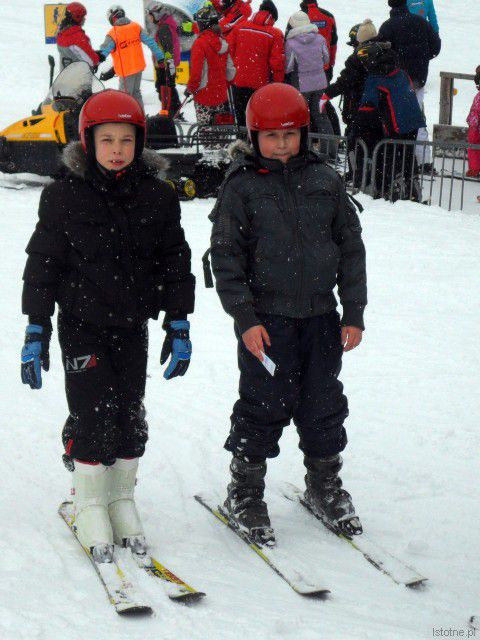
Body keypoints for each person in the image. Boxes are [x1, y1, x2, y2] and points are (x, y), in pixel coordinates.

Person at [20, 89, 195, 563]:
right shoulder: (63, 195)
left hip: (132, 325)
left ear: (140, 142)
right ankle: (90, 503)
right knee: (93, 414)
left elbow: (175, 260)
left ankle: (120, 498)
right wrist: (37, 328)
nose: (117, 149)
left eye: (126, 140)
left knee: (129, 414)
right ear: (88, 141)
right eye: (106, 140)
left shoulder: (157, 196)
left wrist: (178, 322)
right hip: (82, 324)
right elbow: (43, 263)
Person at [209, 83, 367, 546]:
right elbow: (226, 259)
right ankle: (245, 491)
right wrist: (245, 318)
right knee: (263, 404)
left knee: (323, 404)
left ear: (304, 133)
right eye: (272, 136)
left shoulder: (325, 181)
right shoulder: (241, 187)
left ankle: (324, 484)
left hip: (321, 318)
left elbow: (351, 249)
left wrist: (353, 311)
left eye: (290, 134)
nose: (282, 144)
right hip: (267, 323)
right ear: (254, 136)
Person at [356, 41, 426, 200]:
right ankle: (411, 184)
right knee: (407, 154)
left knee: (388, 156)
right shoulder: (400, 72)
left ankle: (389, 188)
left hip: (396, 123)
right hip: (413, 121)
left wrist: (357, 126)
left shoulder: (375, 78)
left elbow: (367, 107)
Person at [378, 0, 441, 173]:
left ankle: (400, 159)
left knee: (396, 120)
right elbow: (436, 46)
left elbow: (381, 56)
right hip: (418, 80)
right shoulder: (421, 22)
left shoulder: (387, 27)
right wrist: (422, 59)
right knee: (418, 118)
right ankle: (422, 160)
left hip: (397, 82)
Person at [320, 19, 381, 183]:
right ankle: (372, 174)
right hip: (379, 109)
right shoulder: (385, 53)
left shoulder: (358, 58)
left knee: (354, 141)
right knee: (374, 143)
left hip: (359, 109)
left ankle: (357, 174)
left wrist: (327, 94)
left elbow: (345, 81)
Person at [229, 0, 284, 127]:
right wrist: (277, 84)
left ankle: (241, 137)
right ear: (272, 17)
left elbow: (229, 53)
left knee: (241, 118)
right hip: (260, 84)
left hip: (238, 80)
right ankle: (254, 137)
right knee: (257, 118)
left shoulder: (239, 27)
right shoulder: (275, 33)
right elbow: (277, 63)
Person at [98, 5, 165, 110]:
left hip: (126, 71)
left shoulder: (113, 34)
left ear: (113, 18)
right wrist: (160, 56)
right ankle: (140, 116)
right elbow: (151, 42)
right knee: (136, 93)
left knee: (124, 97)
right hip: (138, 67)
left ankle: (127, 118)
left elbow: (103, 53)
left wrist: (94, 62)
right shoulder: (136, 27)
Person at [186, 5, 236, 139]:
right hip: (221, 94)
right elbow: (231, 71)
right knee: (220, 130)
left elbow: (196, 73)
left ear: (203, 24)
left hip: (204, 95)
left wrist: (190, 88)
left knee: (207, 132)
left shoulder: (200, 43)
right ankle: (221, 150)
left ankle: (210, 150)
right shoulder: (223, 41)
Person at [284, 11, 332, 141]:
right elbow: (326, 59)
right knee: (321, 115)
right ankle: (330, 148)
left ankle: (303, 146)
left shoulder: (291, 42)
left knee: (301, 117)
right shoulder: (320, 38)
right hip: (320, 84)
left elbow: (288, 67)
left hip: (301, 85)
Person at [145, 1, 182, 118]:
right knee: (167, 87)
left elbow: (168, 50)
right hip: (165, 64)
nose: (149, 18)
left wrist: (169, 68)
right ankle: (174, 110)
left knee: (164, 88)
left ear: (157, 14)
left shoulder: (164, 28)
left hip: (165, 65)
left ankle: (169, 112)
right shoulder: (165, 24)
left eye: (150, 15)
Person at [56, 2, 100, 72]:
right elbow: (92, 61)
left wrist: (92, 53)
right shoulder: (78, 37)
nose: (84, 19)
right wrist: (97, 58)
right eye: (83, 17)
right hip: (79, 76)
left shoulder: (61, 34)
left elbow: (73, 53)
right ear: (77, 17)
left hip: (64, 75)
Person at [466, 67, 480, 178]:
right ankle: (475, 169)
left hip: (475, 127)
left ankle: (475, 169)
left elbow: (475, 111)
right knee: (473, 146)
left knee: (473, 146)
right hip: (475, 126)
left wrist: (472, 122)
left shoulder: (478, 98)